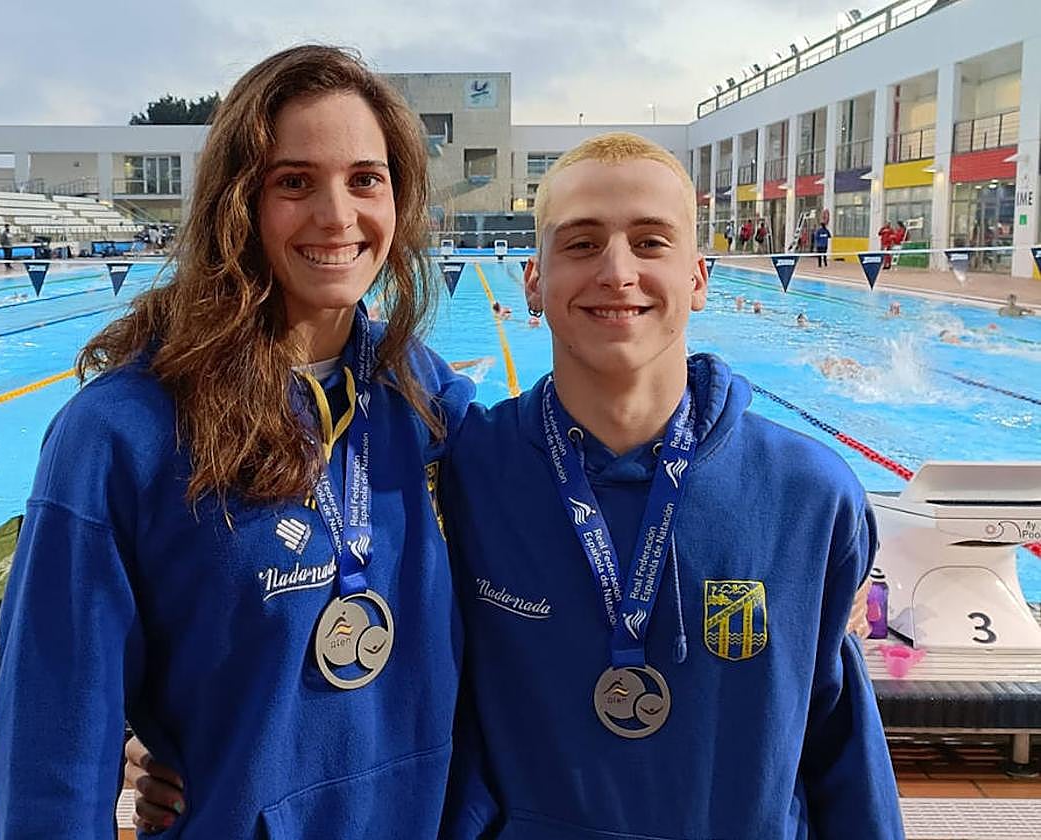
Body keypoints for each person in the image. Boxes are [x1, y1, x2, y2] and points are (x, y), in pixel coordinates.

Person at [129, 133, 895, 839]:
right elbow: (309, 596)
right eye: (581, 243)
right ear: (533, 281)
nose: (616, 271)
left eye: (650, 242)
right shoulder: (464, 466)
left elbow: (839, 744)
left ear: (697, 278)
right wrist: (183, 739)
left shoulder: (809, 493)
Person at [0, 45, 474, 838]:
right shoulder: (122, 432)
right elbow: (51, 749)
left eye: (365, 179)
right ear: (238, 201)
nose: (337, 216)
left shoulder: (419, 391)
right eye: (294, 182)